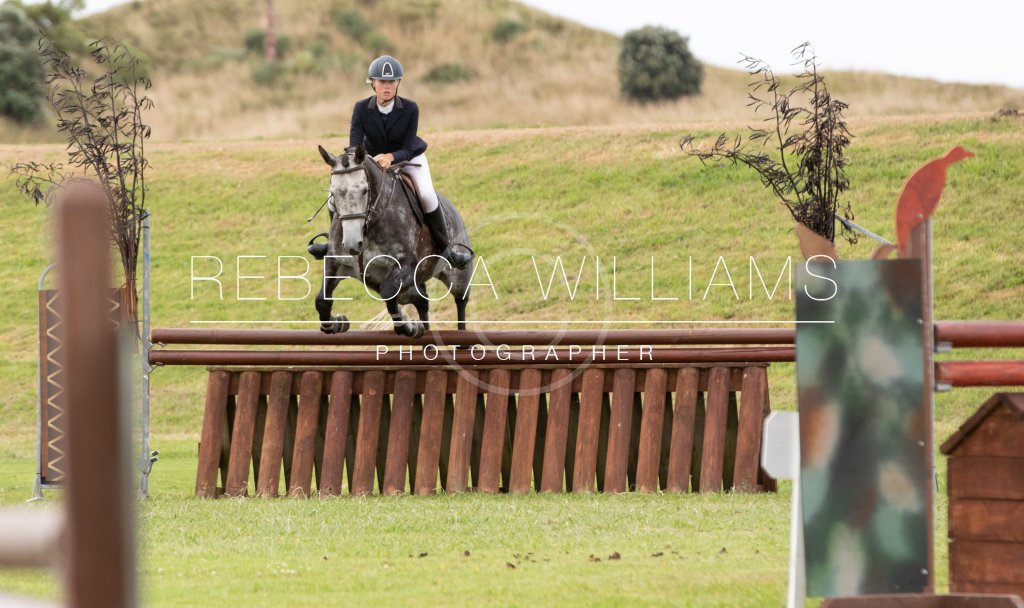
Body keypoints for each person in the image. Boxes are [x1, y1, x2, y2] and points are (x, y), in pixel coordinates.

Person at [308, 55, 471, 269]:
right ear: (373, 83)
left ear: (398, 83)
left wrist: (391, 157)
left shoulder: (411, 108)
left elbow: (409, 146)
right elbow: (354, 145)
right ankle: (333, 244)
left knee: (427, 195)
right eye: (382, 81)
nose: (387, 86)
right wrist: (364, 161)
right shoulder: (361, 108)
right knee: (333, 197)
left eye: (392, 81)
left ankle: (447, 249)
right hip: (371, 160)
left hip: (409, 158)